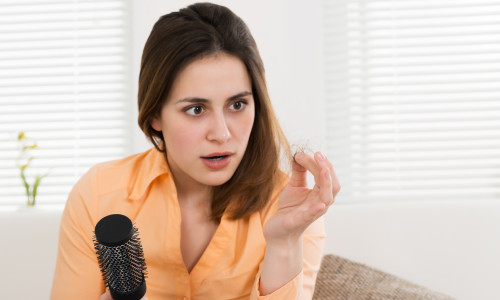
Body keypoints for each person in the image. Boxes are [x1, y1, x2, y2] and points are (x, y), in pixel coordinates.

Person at [50, 2, 340, 300]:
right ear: (155, 115)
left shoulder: (292, 210)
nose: (222, 133)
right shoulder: (99, 194)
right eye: (196, 109)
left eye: (237, 105)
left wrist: (284, 244)